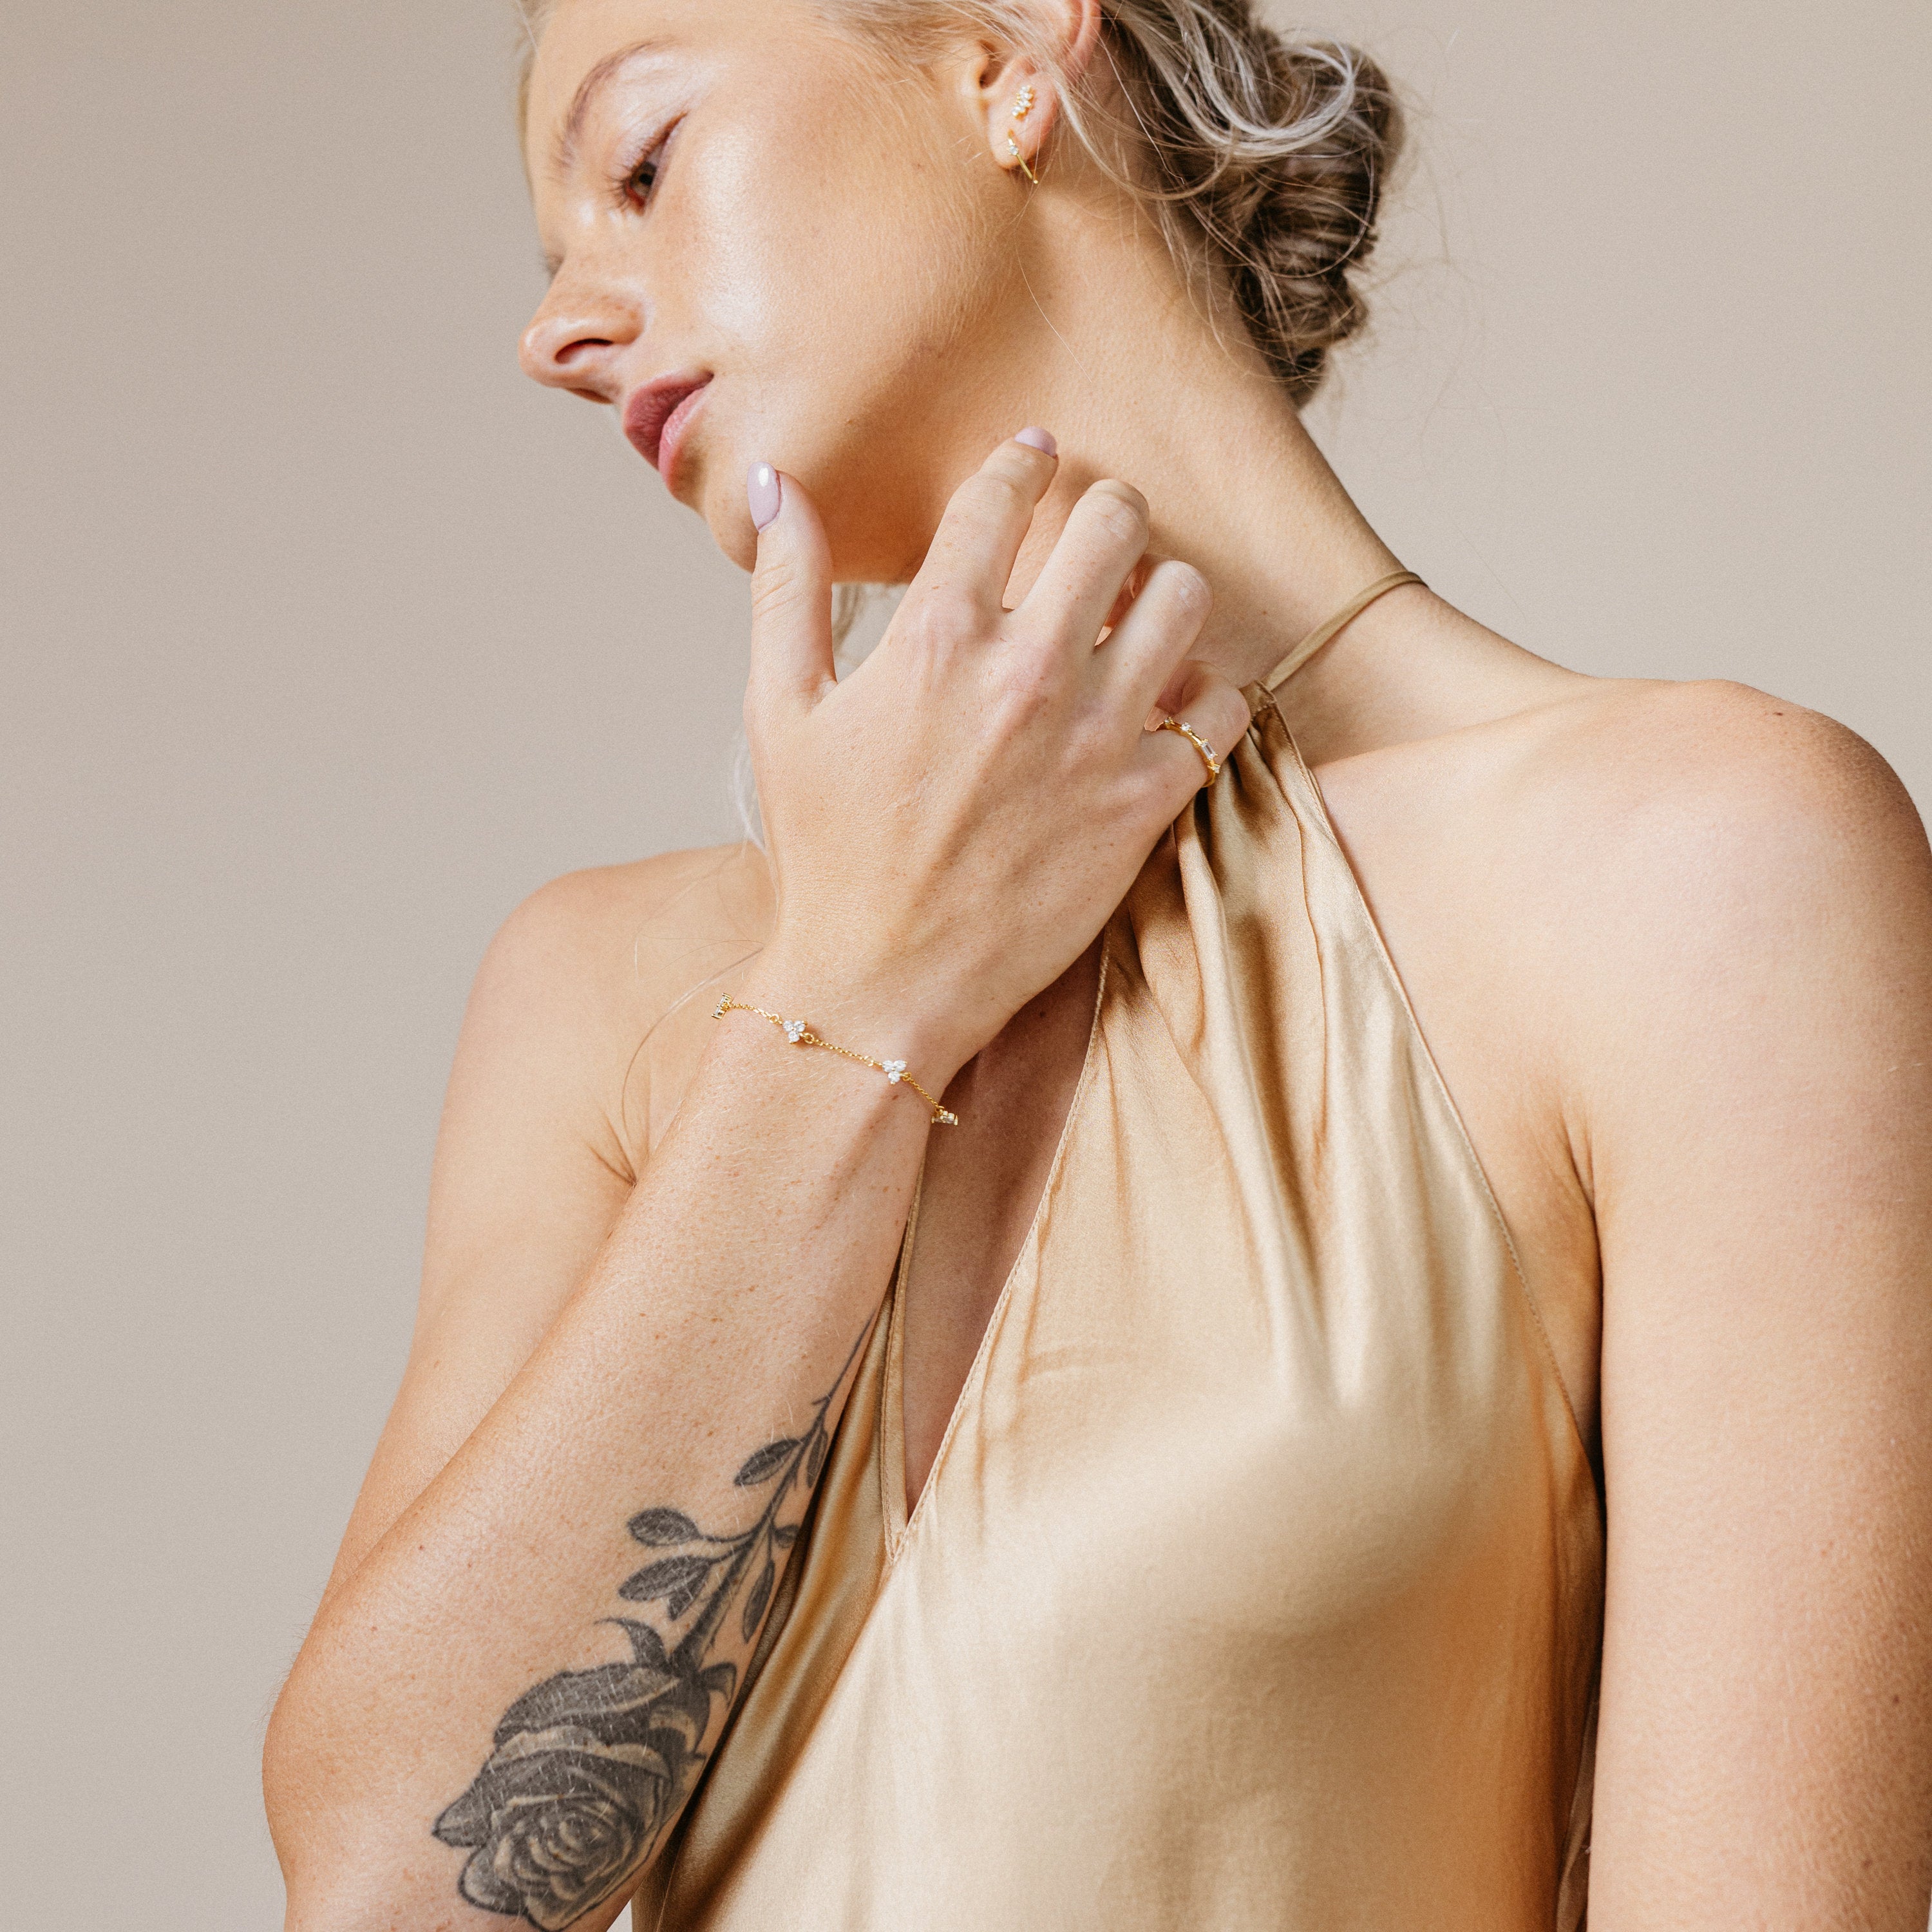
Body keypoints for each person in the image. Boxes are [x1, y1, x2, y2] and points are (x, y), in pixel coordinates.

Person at [261, 0, 1932, 1925]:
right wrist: (865, 989)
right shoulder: (602, 998)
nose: (555, 335)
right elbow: (396, 1890)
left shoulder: (1695, 875)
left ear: (1000, 52)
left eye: (644, 166)